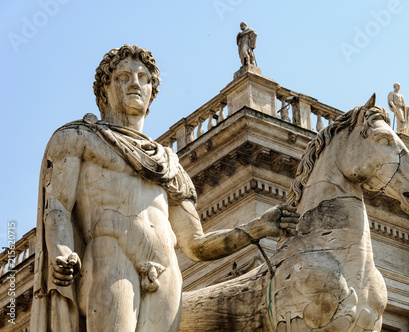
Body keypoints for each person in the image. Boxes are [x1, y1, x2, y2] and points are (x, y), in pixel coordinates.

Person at [30, 44, 299, 332]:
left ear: (151, 93)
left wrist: (256, 229)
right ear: (103, 90)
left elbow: (196, 245)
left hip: (166, 270)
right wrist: (62, 251)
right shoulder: (78, 138)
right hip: (110, 255)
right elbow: (56, 206)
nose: (135, 83)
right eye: (123, 77)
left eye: (144, 79)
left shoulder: (168, 164)